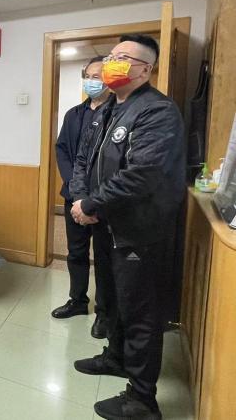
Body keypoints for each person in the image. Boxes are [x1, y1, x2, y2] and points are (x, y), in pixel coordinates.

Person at [69, 34, 185, 420]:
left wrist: (91, 204)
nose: (111, 63)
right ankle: (115, 357)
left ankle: (142, 400)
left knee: (140, 314)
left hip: (139, 231)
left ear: (145, 69)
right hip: (107, 226)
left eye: (123, 57)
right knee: (113, 300)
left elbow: (141, 175)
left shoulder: (157, 111)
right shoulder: (109, 108)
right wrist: (82, 199)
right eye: (111, 56)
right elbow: (84, 159)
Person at [51, 56, 111, 340]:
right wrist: (74, 188)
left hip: (103, 199)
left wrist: (92, 198)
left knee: (104, 256)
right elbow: (62, 149)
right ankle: (77, 300)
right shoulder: (74, 114)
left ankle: (104, 312)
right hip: (73, 196)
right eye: (88, 75)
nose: (91, 80)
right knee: (76, 252)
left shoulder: (117, 113)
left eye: (97, 75)